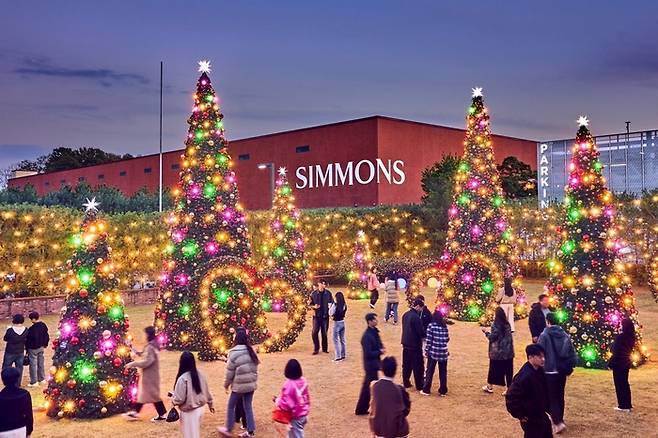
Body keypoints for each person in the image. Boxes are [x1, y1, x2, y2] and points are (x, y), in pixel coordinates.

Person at [537, 312, 577, 434]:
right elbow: (570, 352)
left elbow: (539, 351)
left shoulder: (544, 335)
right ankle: (560, 419)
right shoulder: (565, 335)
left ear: (548, 321)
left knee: (552, 397)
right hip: (561, 370)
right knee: (560, 396)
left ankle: (557, 422)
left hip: (549, 370)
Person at [218, 327, 259, 438]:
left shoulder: (233, 352)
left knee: (231, 405)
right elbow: (255, 368)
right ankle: (250, 431)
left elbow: (229, 372)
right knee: (248, 407)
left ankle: (228, 429)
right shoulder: (251, 351)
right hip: (250, 385)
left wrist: (226, 385)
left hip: (239, 386)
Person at [505, 344, 552, 438]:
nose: (543, 359)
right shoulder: (524, 377)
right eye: (540, 357)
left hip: (540, 414)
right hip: (531, 418)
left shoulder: (539, 371)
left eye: (544, 356)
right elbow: (511, 396)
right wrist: (520, 415)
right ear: (530, 357)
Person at [123, 326, 167, 421]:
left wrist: (132, 364)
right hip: (150, 375)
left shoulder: (151, 347)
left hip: (151, 376)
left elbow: (147, 361)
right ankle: (160, 414)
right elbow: (142, 354)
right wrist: (132, 347)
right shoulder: (152, 345)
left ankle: (137, 412)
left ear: (148, 334)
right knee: (148, 395)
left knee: (150, 395)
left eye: (145, 334)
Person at [171, 351, 214, 438]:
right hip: (200, 409)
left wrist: (173, 400)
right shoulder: (200, 374)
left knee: (190, 435)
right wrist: (210, 404)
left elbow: (180, 399)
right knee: (194, 434)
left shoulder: (183, 379)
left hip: (189, 411)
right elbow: (206, 391)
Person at [369, 356, 410, 438]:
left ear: (382, 369)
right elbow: (406, 409)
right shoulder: (400, 389)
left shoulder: (374, 386)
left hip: (380, 430)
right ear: (395, 371)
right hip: (399, 430)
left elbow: (372, 407)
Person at [355, 313, 384, 415]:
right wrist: (380, 351)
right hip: (370, 365)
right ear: (370, 321)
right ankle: (361, 408)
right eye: (375, 320)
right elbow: (368, 353)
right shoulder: (367, 336)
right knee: (368, 388)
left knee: (369, 388)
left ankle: (363, 408)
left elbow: (378, 344)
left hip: (374, 364)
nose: (376, 321)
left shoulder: (374, 332)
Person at [274, 359, 310, 438]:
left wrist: (277, 401)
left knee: (296, 435)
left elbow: (286, 403)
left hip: (295, 416)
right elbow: (306, 396)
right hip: (304, 413)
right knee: (294, 434)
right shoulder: (303, 380)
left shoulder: (289, 384)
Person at [482, 307, 514, 395]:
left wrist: (486, 332)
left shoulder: (495, 325)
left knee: (493, 369)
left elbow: (492, 338)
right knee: (508, 371)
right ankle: (509, 388)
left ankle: (490, 386)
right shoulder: (507, 324)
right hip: (508, 351)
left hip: (497, 352)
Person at [608, 318, 636, 413]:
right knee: (625, 383)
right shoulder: (631, 336)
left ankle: (623, 405)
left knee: (620, 384)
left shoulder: (621, 337)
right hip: (626, 362)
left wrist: (610, 363)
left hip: (618, 363)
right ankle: (627, 404)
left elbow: (614, 350)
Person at [421, 310, 449, 396]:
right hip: (444, 352)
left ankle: (426, 389)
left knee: (430, 371)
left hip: (433, 352)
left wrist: (426, 351)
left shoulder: (431, 326)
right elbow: (447, 339)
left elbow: (429, 341)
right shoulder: (444, 326)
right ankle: (443, 390)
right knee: (443, 372)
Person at [0, 367, 33, 438]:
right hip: (21, 429)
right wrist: (29, 432)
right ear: (17, 379)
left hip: (3, 431)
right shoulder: (25, 394)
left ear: (3, 380)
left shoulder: (1, 396)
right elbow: (29, 415)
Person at [401, 298, 425, 391]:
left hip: (405, 343)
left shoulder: (405, 315)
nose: (421, 310)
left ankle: (406, 382)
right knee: (418, 365)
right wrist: (425, 335)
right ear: (418, 306)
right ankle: (419, 384)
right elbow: (420, 332)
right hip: (415, 345)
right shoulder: (416, 317)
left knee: (406, 364)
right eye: (421, 308)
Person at [2, 314, 28, 386]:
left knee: (6, 368)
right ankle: (17, 384)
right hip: (20, 351)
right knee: (19, 369)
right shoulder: (26, 330)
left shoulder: (10, 330)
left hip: (10, 351)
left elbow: (5, 338)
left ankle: (7, 383)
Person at [25, 312, 49, 387]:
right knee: (40, 363)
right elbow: (46, 335)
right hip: (41, 347)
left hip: (33, 348)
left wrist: (27, 349)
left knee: (33, 365)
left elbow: (29, 340)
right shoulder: (43, 325)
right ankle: (42, 379)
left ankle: (34, 381)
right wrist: (45, 344)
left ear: (33, 319)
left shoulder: (31, 329)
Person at [310, 280, 334, 355]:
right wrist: (314, 306)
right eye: (322, 284)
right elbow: (309, 304)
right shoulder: (313, 294)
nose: (323, 285)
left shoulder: (328, 293)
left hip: (325, 316)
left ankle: (324, 348)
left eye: (324, 284)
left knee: (324, 333)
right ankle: (316, 348)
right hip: (316, 316)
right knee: (314, 332)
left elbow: (332, 303)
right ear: (319, 284)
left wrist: (330, 311)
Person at [332, 291, 347, 362]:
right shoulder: (344, 305)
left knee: (335, 339)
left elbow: (330, 312)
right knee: (342, 340)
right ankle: (343, 355)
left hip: (337, 323)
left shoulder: (335, 305)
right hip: (342, 322)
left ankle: (338, 356)